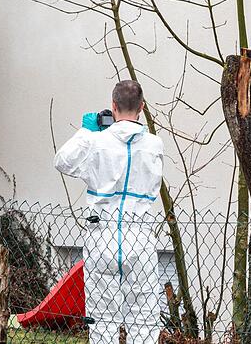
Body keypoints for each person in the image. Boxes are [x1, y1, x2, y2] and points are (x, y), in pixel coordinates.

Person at [54, 80, 163, 343]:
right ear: (142, 108)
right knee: (144, 319)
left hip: (102, 234)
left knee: (103, 321)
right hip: (140, 235)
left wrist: (85, 131)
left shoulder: (95, 141)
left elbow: (62, 161)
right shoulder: (154, 144)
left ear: (112, 106)